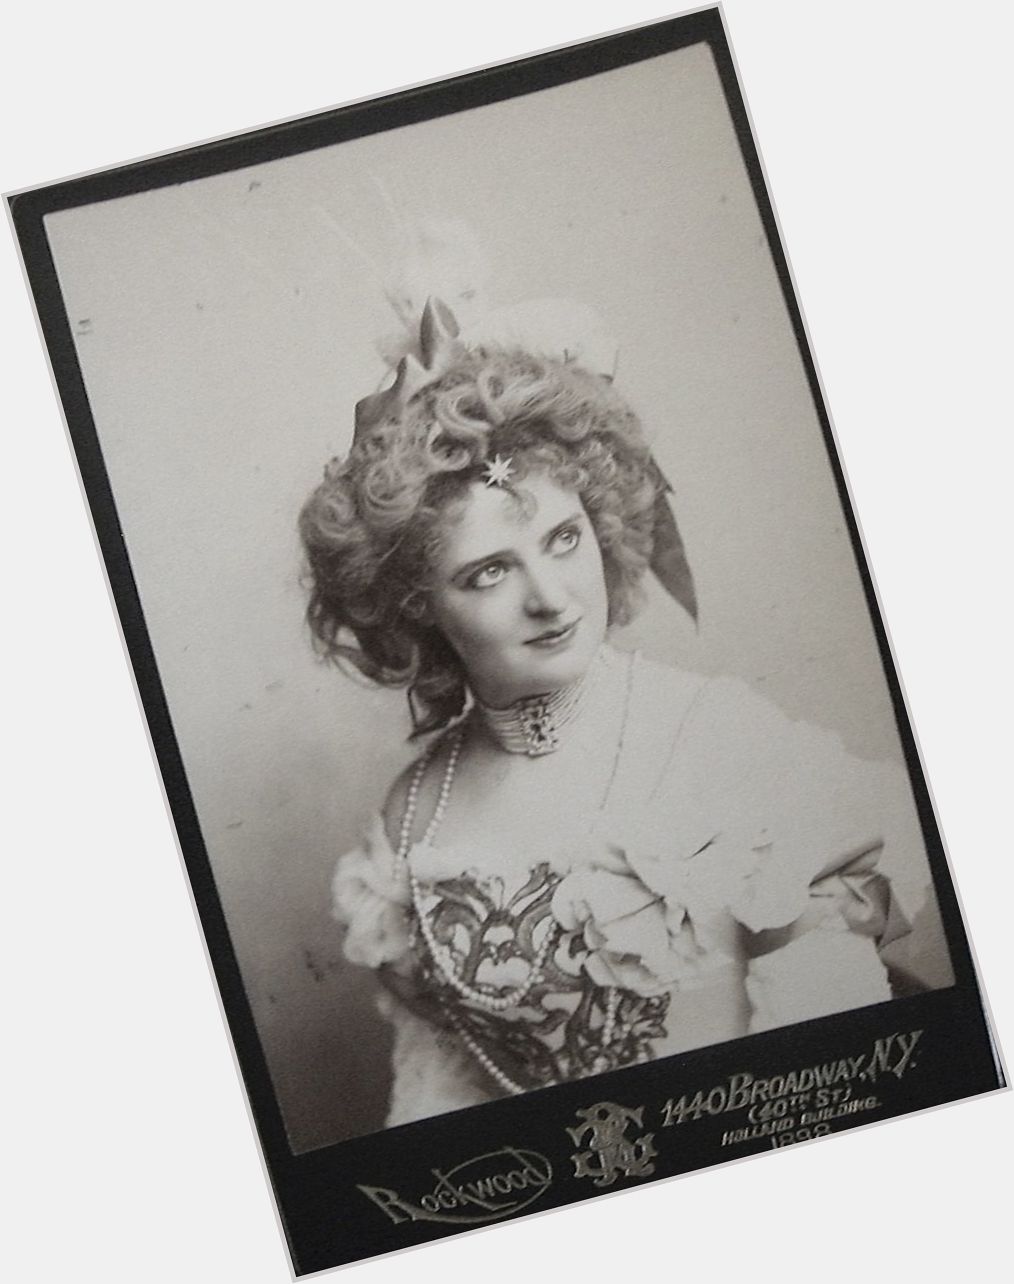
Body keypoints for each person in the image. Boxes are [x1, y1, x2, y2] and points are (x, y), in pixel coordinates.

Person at [299, 297, 942, 1128]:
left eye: (564, 539)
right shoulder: (415, 814)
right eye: (490, 572)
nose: (551, 597)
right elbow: (443, 1088)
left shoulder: (719, 737)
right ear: (417, 602)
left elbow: (830, 1056)